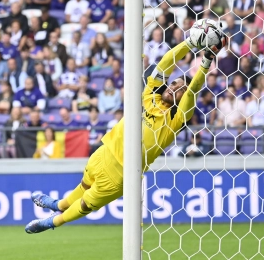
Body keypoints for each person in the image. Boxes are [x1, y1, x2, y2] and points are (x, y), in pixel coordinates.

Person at [25, 27, 227, 233]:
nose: (175, 88)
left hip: (122, 173)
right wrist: (190, 43)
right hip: (104, 151)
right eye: (174, 83)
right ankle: (58, 205)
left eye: (180, 90)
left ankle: (50, 222)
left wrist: (206, 61)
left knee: (86, 204)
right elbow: (165, 63)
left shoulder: (175, 119)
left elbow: (193, 91)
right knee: (83, 187)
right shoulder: (150, 95)